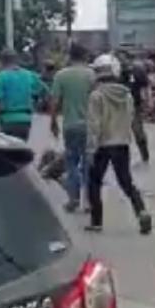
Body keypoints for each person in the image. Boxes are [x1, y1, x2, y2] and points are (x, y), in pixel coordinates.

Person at [86, 54, 152, 235]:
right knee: (126, 182)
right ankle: (142, 211)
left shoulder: (96, 95)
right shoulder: (127, 95)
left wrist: (90, 149)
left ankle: (96, 221)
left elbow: (94, 125)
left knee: (94, 182)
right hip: (122, 143)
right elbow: (130, 118)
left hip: (102, 144)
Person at [50, 42, 96, 212]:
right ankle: (89, 202)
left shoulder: (61, 75)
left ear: (70, 56)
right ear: (84, 56)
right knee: (88, 163)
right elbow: (98, 100)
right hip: (90, 126)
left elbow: (54, 101)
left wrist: (53, 122)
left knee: (71, 162)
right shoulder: (92, 75)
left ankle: (73, 199)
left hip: (70, 125)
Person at [0, 48, 40, 140]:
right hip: (26, 121)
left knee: (7, 152)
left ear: (2, 61)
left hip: (7, 121)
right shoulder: (29, 75)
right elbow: (41, 92)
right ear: (16, 60)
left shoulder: (1, 76)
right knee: (22, 151)